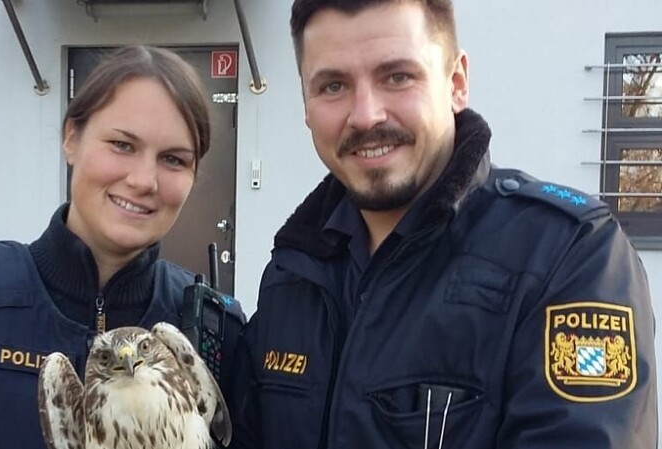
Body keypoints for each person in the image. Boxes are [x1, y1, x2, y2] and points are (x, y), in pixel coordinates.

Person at [227, 1, 657, 448]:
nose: (366, 115)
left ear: (456, 83)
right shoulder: (293, 274)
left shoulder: (566, 258)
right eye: (333, 86)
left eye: (397, 77)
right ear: (306, 105)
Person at [0, 45, 244, 449]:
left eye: (173, 159)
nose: (143, 180)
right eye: (122, 145)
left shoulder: (215, 333)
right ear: (71, 138)